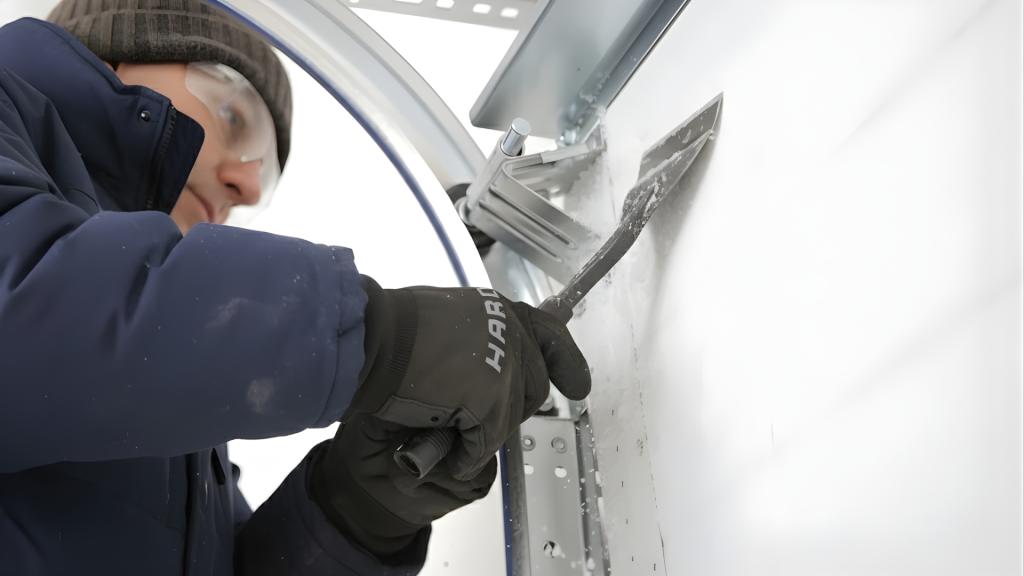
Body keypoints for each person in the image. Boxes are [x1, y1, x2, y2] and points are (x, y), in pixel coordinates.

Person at [0, 1, 591, 574]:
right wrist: (382, 341)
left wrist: (354, 513)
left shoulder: (165, 426)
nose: (248, 187)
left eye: (266, 166)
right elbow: (25, 318)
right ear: (115, 50)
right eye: (234, 116)